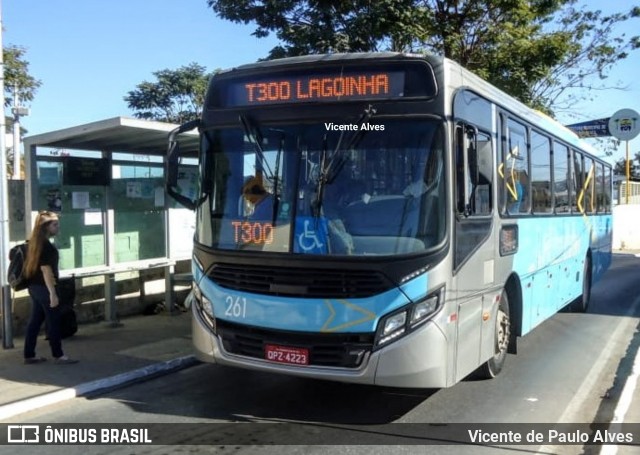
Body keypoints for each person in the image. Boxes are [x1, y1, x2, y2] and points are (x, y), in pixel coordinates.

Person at [22, 211, 78, 365]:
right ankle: (58, 355)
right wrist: (53, 293)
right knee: (53, 320)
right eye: (55, 224)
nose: (58, 227)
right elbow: (46, 270)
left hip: (34, 287)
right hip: (45, 287)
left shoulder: (34, 242)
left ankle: (29, 354)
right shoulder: (45, 245)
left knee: (35, 320)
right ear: (46, 227)